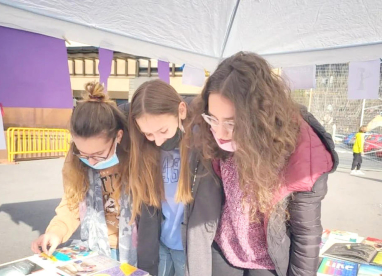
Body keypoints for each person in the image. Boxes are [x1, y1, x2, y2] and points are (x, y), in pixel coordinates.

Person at [192, 52, 338, 276]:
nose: (219, 134)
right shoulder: (212, 139)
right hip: (225, 249)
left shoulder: (301, 151)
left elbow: (306, 235)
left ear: (259, 118)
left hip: (270, 259)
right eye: (213, 119)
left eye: (231, 123)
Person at [31, 82, 136, 265]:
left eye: (98, 154)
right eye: (84, 155)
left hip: (136, 249)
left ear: (118, 137)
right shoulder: (75, 161)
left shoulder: (136, 157)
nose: (92, 161)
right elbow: (71, 203)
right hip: (95, 248)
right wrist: (56, 232)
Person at [128, 80, 223, 276]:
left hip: (189, 248)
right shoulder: (147, 151)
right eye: (148, 134)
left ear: (181, 111)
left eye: (163, 131)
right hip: (160, 243)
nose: (159, 140)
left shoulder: (202, 146)